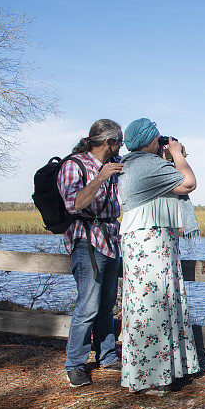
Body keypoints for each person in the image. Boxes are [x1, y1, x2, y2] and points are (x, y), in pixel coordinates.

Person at [118, 118, 201, 395]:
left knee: (146, 307)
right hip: (151, 241)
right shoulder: (150, 165)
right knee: (154, 309)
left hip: (142, 242)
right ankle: (154, 378)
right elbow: (188, 183)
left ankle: (151, 374)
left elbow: (172, 188)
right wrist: (176, 154)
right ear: (150, 141)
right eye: (158, 138)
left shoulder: (132, 165)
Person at [57, 119, 124, 387]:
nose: (121, 147)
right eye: (119, 141)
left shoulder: (115, 163)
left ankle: (107, 355)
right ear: (108, 142)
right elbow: (74, 204)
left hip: (111, 238)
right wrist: (101, 177)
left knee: (107, 303)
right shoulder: (74, 165)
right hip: (86, 241)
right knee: (88, 305)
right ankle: (74, 363)